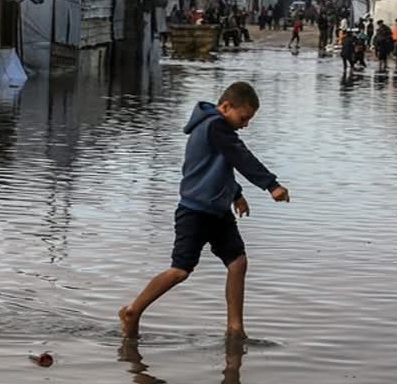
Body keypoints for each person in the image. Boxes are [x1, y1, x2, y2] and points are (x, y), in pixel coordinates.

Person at [118, 82, 290, 339]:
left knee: (238, 262)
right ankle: (133, 310)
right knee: (180, 270)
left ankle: (235, 327)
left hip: (218, 212)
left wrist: (236, 194)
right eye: (243, 118)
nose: (245, 124)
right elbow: (240, 156)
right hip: (195, 212)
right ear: (225, 106)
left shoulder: (216, 128)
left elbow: (219, 166)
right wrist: (271, 185)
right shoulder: (214, 126)